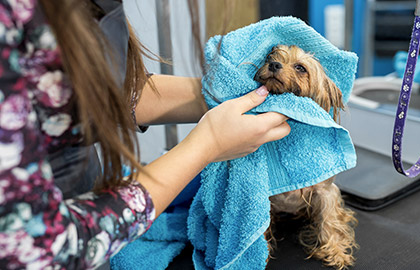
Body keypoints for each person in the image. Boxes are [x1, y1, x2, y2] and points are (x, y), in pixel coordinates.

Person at [0, 0, 290, 268]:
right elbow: (41, 247)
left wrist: (224, 95)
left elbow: (104, 94)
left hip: (92, 218)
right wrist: (208, 144)